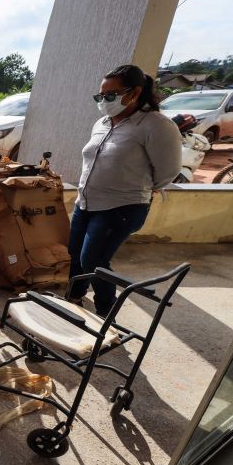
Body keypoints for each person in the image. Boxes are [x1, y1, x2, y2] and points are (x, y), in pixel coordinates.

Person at [69, 64, 181, 317]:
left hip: (120, 208)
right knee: (75, 253)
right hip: (85, 202)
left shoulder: (155, 125)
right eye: (101, 96)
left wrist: (140, 188)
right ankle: (74, 296)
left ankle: (106, 313)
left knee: (94, 261)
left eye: (111, 95)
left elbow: (168, 170)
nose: (104, 101)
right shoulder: (102, 122)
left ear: (134, 93)